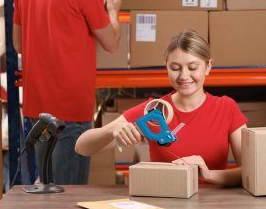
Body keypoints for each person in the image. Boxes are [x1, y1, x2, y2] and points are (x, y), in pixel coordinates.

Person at [75, 29, 248, 187]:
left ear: (208, 67)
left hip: (214, 206)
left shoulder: (226, 108)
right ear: (166, 67)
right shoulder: (154, 110)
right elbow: (81, 148)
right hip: (165, 200)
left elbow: (249, 171)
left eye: (193, 67)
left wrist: (208, 175)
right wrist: (113, 130)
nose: (184, 76)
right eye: (175, 68)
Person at [12, 0, 124, 184]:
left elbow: (18, 44)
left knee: (48, 186)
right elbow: (111, 42)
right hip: (71, 109)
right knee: (67, 195)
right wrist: (113, 11)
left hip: (38, 106)